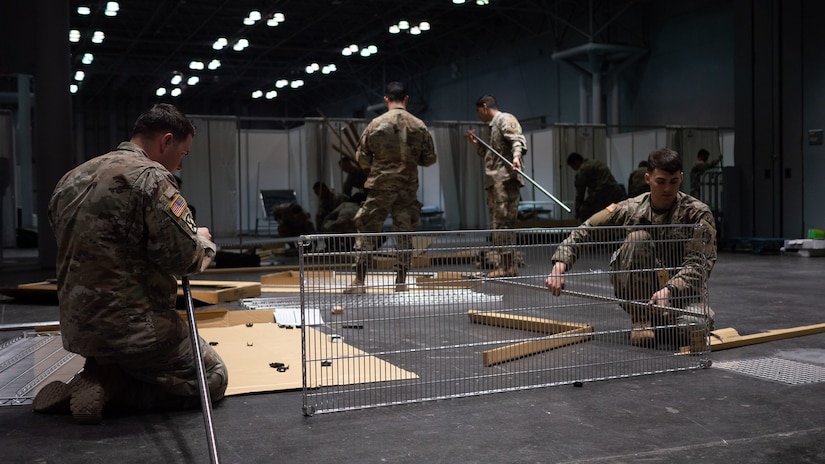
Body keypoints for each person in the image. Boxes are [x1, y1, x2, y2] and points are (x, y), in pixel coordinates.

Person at [37, 103, 227, 424]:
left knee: (127, 356)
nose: (179, 167)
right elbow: (183, 259)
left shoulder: (72, 178)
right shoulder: (150, 178)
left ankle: (101, 372)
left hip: (78, 328)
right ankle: (115, 389)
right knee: (212, 377)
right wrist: (202, 239)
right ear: (165, 142)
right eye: (183, 154)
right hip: (137, 331)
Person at [546, 148, 717, 347]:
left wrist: (669, 290)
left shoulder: (698, 215)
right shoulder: (631, 208)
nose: (667, 189)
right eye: (660, 182)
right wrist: (560, 265)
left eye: (674, 181)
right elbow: (587, 229)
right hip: (640, 293)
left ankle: (665, 320)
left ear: (681, 177)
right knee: (638, 238)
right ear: (648, 178)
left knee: (695, 326)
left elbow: (699, 265)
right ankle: (641, 319)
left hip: (680, 293)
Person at [344, 81, 437, 293]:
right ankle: (401, 281)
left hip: (381, 186)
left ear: (386, 100)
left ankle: (359, 281)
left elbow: (362, 159)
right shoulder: (420, 126)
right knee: (404, 233)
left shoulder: (375, 125)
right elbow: (429, 159)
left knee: (367, 229)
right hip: (407, 187)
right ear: (406, 99)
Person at [467, 94, 527, 278]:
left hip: (505, 181)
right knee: (498, 224)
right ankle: (506, 265)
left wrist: (516, 157)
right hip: (496, 182)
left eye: (479, 111)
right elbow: (491, 155)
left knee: (503, 224)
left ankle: (508, 266)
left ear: (485, 107)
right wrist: (477, 144)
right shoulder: (492, 127)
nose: (479, 116)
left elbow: (517, 139)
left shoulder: (504, 119)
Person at [566, 152, 625, 222]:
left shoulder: (583, 169)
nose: (574, 169)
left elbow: (580, 193)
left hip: (602, 194)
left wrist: (577, 210)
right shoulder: (596, 162)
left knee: (585, 211)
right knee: (612, 213)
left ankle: (587, 231)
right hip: (615, 193)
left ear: (576, 162)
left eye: (573, 167)